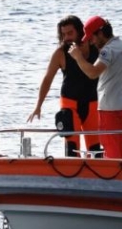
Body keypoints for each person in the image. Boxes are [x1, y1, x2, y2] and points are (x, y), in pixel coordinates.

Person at [27, 15, 101, 157]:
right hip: (69, 104)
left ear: (80, 31)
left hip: (92, 103)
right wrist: (38, 106)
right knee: (72, 150)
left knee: (96, 149)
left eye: (70, 33)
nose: (67, 37)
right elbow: (47, 79)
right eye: (63, 34)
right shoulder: (60, 53)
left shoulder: (94, 48)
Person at [69, 16, 122, 159]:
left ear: (100, 33)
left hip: (109, 108)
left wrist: (78, 57)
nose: (91, 42)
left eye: (91, 38)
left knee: (112, 150)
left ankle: (116, 177)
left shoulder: (108, 50)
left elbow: (92, 73)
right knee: (116, 145)